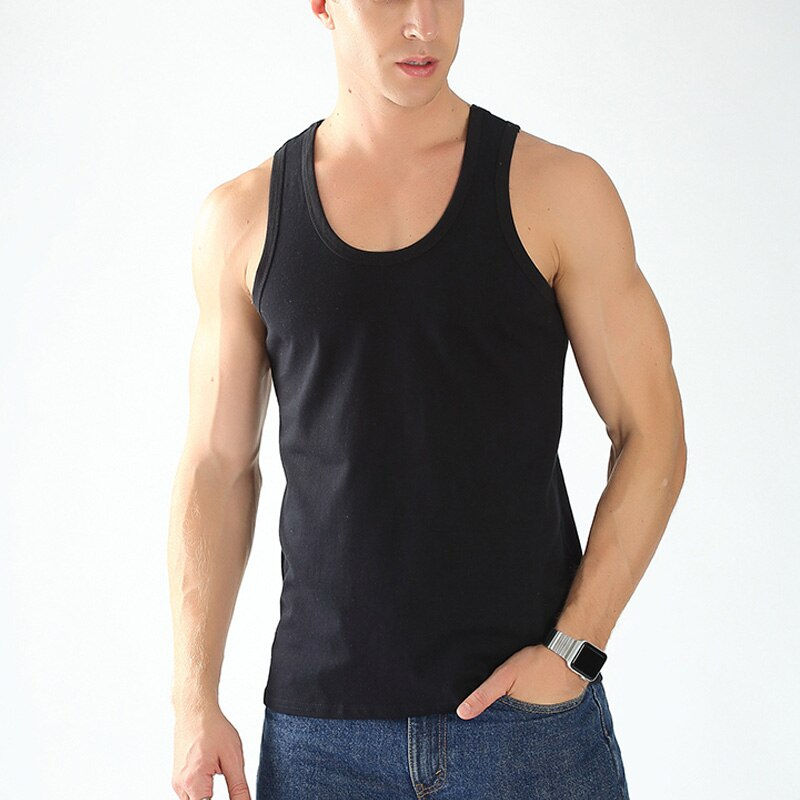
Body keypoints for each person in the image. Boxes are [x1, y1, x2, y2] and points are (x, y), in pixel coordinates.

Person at [168, 1, 687, 798]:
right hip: (321, 741)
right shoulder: (244, 217)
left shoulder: (558, 190)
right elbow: (216, 465)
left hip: (529, 728)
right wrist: (193, 700)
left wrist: (574, 652)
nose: (425, 24)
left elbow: (651, 432)